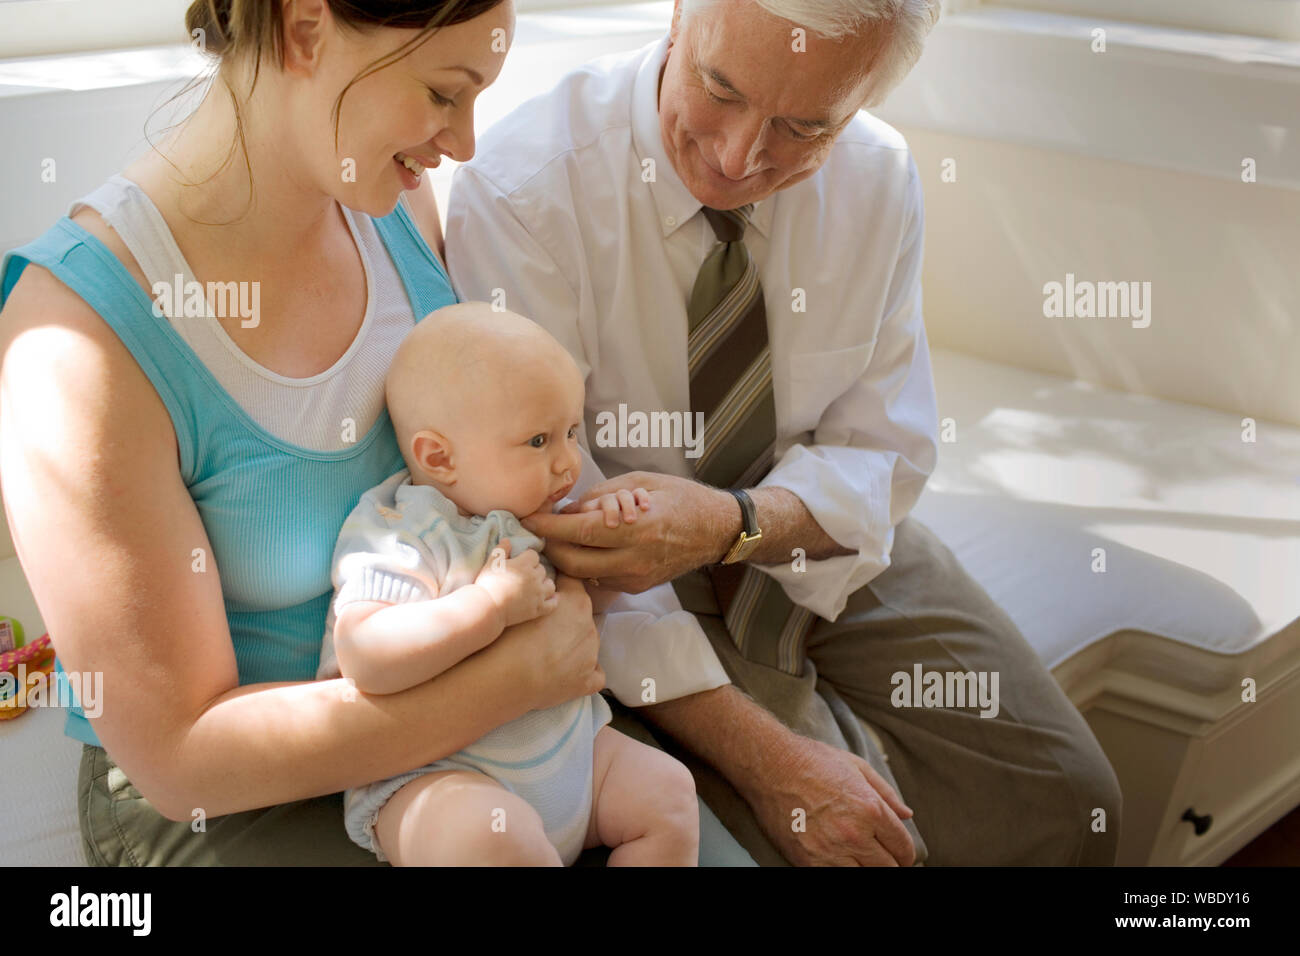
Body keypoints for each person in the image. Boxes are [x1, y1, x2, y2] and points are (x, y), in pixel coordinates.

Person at [0, 0, 751, 866]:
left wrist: (578, 541)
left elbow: (461, 490)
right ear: (305, 26)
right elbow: (182, 761)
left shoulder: (390, 200)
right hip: (247, 792)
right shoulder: (75, 337)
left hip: (496, 723)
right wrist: (508, 678)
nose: (464, 143)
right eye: (444, 91)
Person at [446, 0, 1124, 865]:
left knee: (1069, 800)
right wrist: (773, 763)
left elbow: (885, 453)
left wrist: (737, 526)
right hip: (620, 584)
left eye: (804, 127)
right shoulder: (526, 190)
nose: (738, 157)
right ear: (682, 16)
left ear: (865, 96)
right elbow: (545, 524)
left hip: (810, 529)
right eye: (718, 88)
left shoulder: (878, 178)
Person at [318, 302, 698, 866]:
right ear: (439, 457)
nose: (570, 462)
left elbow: (579, 614)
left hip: (571, 762)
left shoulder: (534, 515)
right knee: (490, 843)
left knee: (669, 792)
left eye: (572, 430)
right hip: (443, 775)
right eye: (539, 442)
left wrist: (608, 557)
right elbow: (366, 653)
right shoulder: (404, 529)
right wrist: (487, 605)